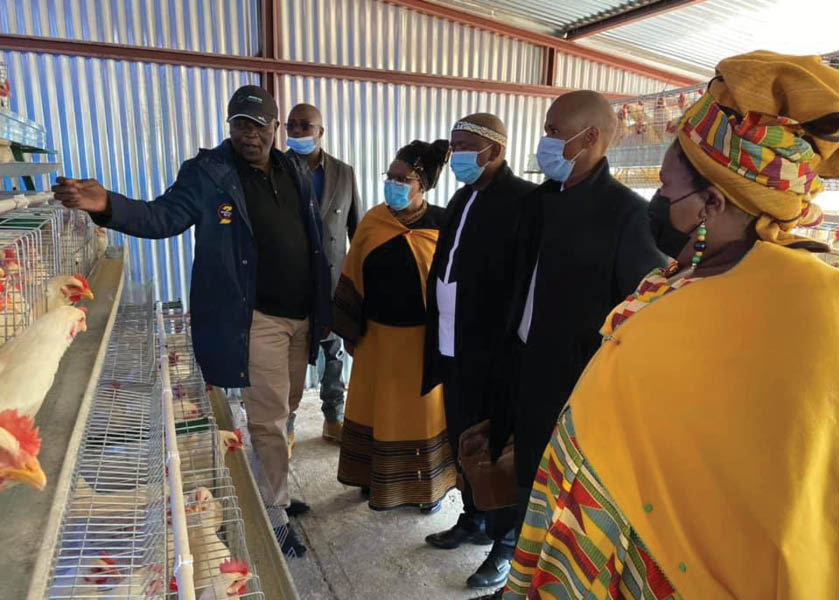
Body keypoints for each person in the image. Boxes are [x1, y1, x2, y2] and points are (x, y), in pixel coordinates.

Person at [504, 51, 839, 600]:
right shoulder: (685, 277)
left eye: (665, 189)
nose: (656, 202)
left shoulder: (812, 308)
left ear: (711, 203)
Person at [52, 85, 332, 558]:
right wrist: (108, 206)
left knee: (285, 407)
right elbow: (162, 216)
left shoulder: (292, 169)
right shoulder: (208, 173)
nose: (249, 135)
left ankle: (275, 490)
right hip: (256, 318)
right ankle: (273, 515)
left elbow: (313, 238)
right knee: (266, 420)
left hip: (300, 317)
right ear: (230, 127)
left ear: (274, 128)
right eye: (239, 125)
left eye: (258, 125)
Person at [490, 90, 666, 549]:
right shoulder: (538, 202)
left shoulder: (627, 214)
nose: (544, 141)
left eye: (553, 131)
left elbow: (640, 314)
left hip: (574, 383)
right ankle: (511, 560)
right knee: (520, 472)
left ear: (588, 138)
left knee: (560, 496)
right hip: (522, 362)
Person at [422, 114, 536, 589]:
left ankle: (505, 544)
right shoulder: (461, 197)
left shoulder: (524, 202)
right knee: (462, 440)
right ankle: (473, 520)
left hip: (493, 353)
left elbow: (524, 284)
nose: (457, 156)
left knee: (496, 449)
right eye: (454, 146)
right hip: (452, 347)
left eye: (467, 146)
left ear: (496, 151)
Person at [332, 139, 457, 514]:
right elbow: (353, 273)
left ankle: (425, 489)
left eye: (403, 178)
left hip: (422, 344)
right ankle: (373, 477)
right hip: (377, 342)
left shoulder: (443, 224)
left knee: (421, 417)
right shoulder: (373, 220)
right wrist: (348, 326)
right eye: (391, 176)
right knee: (376, 411)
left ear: (423, 186)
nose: (394, 183)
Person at [284, 102, 360, 447]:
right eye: (293, 126)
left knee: (334, 354)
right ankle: (285, 424)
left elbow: (357, 231)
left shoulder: (344, 173)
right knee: (289, 358)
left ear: (321, 132)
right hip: (291, 282)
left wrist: (357, 283)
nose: (298, 133)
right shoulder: (275, 169)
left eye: (306, 126)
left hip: (332, 281)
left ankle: (333, 417)